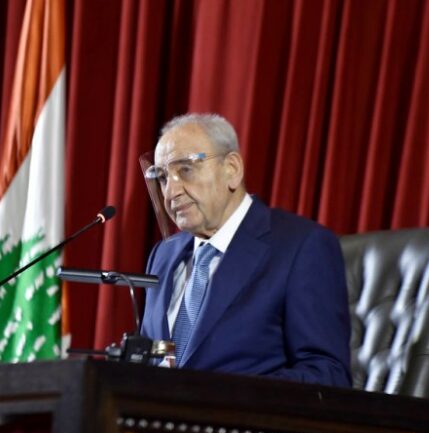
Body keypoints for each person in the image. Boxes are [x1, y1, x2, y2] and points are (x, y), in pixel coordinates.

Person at [140, 113, 351, 387]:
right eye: (162, 178)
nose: (171, 192)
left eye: (186, 170)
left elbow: (327, 374)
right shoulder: (163, 255)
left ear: (232, 169)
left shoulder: (302, 246)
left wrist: (224, 396)